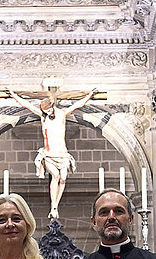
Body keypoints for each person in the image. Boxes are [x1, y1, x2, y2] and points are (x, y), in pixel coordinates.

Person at [9, 84, 97, 218]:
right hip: (49, 154)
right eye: (45, 111)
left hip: (62, 154)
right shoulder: (42, 117)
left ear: (52, 107)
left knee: (63, 179)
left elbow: (77, 105)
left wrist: (89, 96)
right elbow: (28, 105)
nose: (48, 113)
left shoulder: (61, 114)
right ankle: (53, 207)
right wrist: (14, 96)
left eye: (49, 110)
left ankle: (55, 207)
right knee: (55, 176)